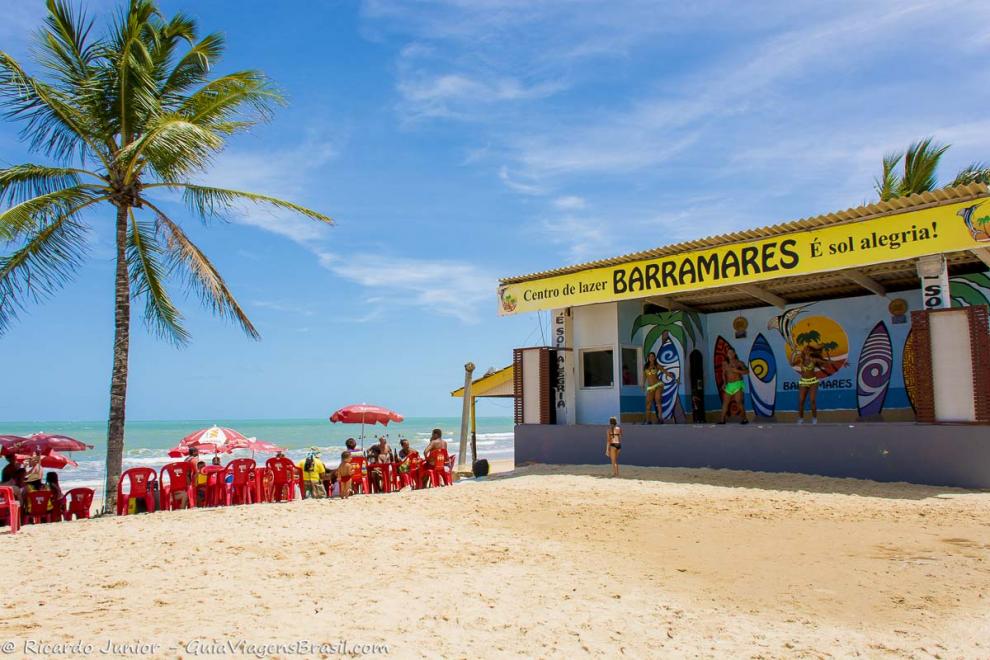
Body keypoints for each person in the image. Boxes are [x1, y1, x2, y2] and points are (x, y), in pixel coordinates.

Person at [793, 344, 827, 424]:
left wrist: (843, 363)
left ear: (811, 351)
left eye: (809, 349)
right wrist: (794, 355)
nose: (807, 351)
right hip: (803, 382)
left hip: (813, 382)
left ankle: (814, 419)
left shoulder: (814, 360)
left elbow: (826, 362)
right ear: (804, 351)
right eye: (805, 349)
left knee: (812, 400)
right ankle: (801, 419)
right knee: (801, 401)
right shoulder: (800, 359)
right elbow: (792, 364)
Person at [718, 347, 750, 424]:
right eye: (729, 353)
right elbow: (723, 374)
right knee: (725, 403)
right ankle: (722, 420)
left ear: (735, 353)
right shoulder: (725, 364)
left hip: (738, 384)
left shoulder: (739, 362)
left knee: (739, 403)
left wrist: (737, 371)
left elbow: (747, 371)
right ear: (727, 354)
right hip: (729, 385)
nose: (730, 354)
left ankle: (744, 419)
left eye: (732, 353)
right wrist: (724, 383)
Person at [643, 352, 669, 424]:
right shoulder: (646, 366)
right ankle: (648, 420)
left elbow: (664, 371)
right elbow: (644, 376)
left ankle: (660, 418)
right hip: (650, 387)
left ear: (654, 358)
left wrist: (673, 378)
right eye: (650, 356)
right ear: (648, 358)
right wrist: (643, 384)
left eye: (653, 356)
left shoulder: (657, 365)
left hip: (657, 385)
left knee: (658, 400)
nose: (651, 358)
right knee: (648, 403)